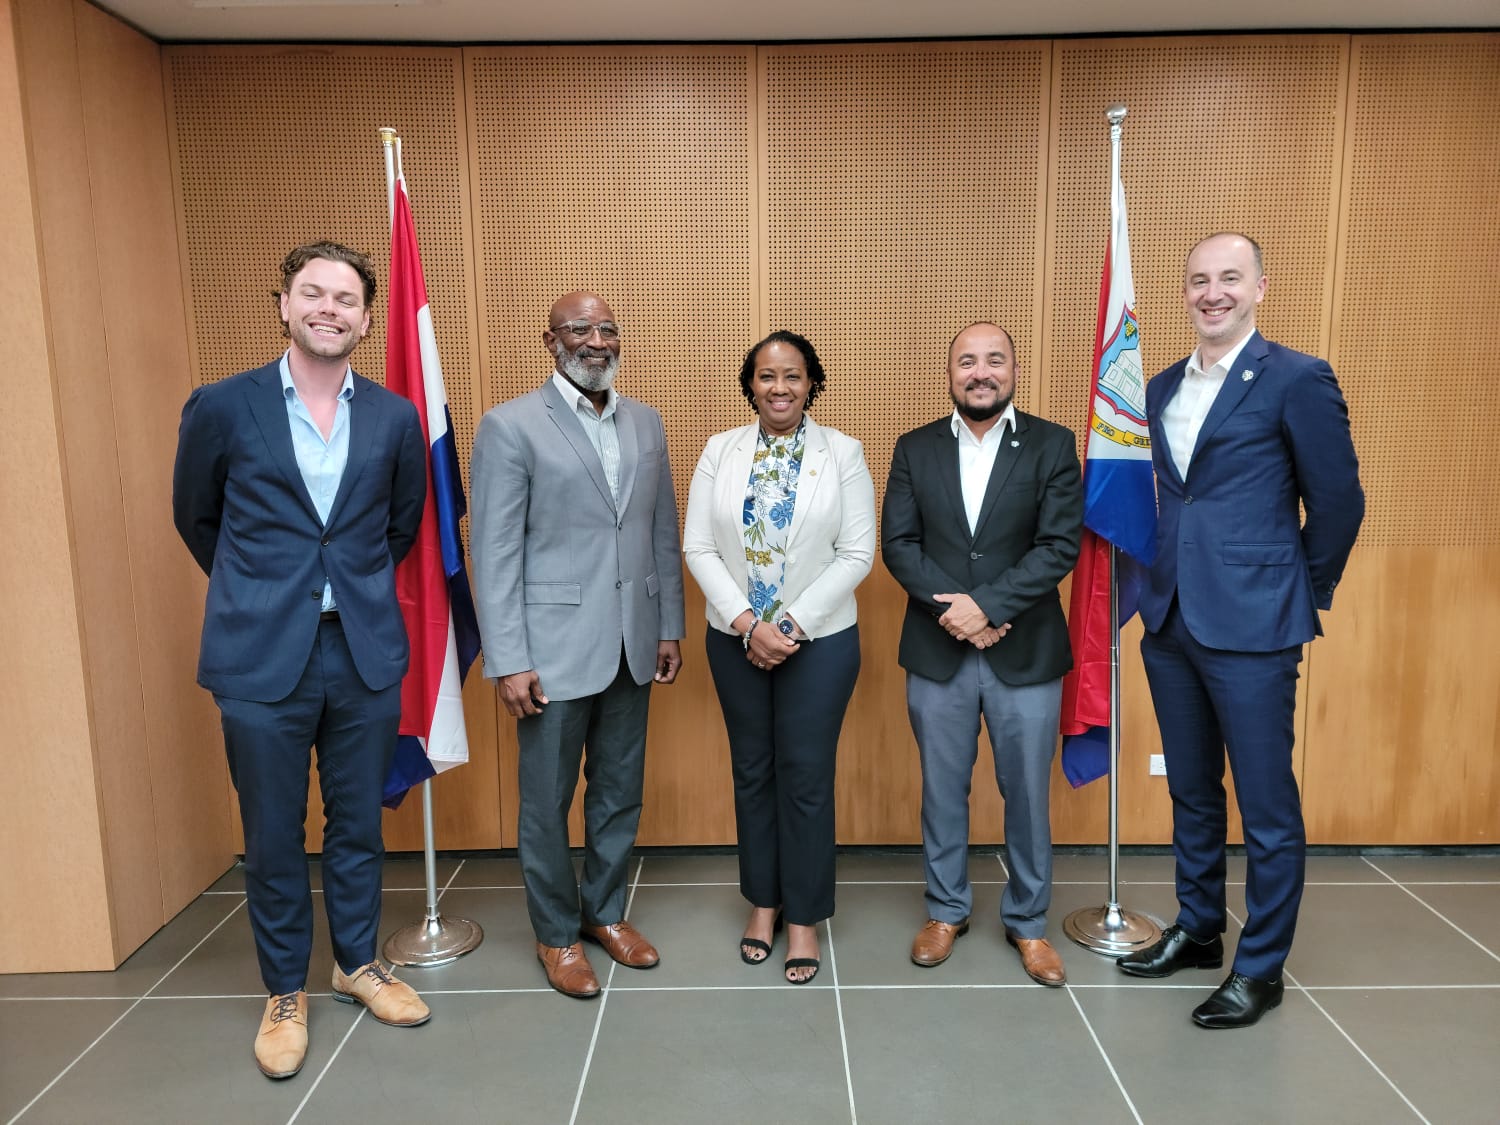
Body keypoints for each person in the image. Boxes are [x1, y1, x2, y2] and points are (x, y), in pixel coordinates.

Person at [172, 241, 432, 1080]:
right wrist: (264, 589)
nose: (329, 308)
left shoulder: (395, 417)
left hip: (361, 649)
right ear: (283, 304)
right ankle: (285, 989)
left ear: (366, 318)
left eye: (346, 298)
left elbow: (398, 526)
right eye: (313, 293)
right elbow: (196, 517)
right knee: (273, 831)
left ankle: (356, 961)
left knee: (357, 822)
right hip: (258, 654)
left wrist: (340, 588)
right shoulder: (223, 405)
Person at [1116, 233, 1363, 1028]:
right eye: (1199, 280)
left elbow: (1339, 502)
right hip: (1170, 617)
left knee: (1265, 803)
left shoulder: (1296, 377)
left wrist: (1295, 590)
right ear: (1184, 292)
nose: (1212, 292)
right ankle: (1198, 927)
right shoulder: (1160, 386)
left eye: (1229, 277)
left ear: (1260, 287)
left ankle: (1261, 967)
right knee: (1191, 788)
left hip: (1256, 624)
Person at [469, 291, 686, 999]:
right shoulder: (510, 426)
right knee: (547, 801)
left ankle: (604, 912)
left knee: (618, 792)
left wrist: (668, 624)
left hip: (632, 641)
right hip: (551, 651)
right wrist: (508, 658)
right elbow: (494, 552)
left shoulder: (646, 421)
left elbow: (659, 530)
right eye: (579, 329)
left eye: (608, 329)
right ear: (551, 340)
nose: (596, 341)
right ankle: (556, 933)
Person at [883, 322, 1083, 986]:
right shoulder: (914, 448)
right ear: (950, 375)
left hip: (1025, 651)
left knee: (1025, 793)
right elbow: (900, 545)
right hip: (937, 648)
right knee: (943, 789)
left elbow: (1057, 546)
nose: (981, 372)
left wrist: (988, 608)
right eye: (967, 361)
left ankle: (1028, 921)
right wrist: (960, 615)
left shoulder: (1052, 445)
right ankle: (946, 910)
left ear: (1014, 371)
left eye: (995, 359)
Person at [683, 330, 875, 985]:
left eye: (792, 375)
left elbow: (857, 553)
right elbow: (698, 547)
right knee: (752, 771)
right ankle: (763, 903)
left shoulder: (843, 453)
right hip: (733, 639)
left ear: (811, 382)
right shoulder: (720, 450)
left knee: (805, 776)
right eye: (766, 376)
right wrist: (748, 625)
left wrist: (786, 625)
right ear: (751, 385)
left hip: (820, 643)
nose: (780, 387)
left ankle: (804, 917)